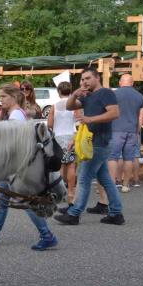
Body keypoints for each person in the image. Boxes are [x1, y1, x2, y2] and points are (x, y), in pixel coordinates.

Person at [0, 84, 58, 251]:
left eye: (3, 96)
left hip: (14, 168)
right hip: (11, 168)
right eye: (0, 96)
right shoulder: (14, 114)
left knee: (24, 202)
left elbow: (10, 143)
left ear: (13, 97)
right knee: (3, 201)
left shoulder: (16, 116)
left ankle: (47, 235)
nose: (1, 100)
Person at [54, 67, 125, 226]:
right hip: (93, 142)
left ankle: (74, 214)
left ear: (97, 77)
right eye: (82, 79)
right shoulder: (88, 95)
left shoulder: (106, 93)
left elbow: (114, 113)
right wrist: (74, 94)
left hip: (99, 142)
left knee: (83, 178)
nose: (84, 82)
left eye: (87, 78)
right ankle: (116, 213)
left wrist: (90, 119)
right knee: (105, 179)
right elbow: (69, 107)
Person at [108, 74, 143, 193]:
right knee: (129, 158)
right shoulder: (139, 96)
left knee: (113, 157)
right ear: (132, 83)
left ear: (120, 83)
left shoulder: (114, 94)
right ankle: (125, 185)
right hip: (132, 130)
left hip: (116, 129)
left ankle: (112, 184)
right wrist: (137, 131)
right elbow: (141, 117)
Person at [48, 81, 77, 209]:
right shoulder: (75, 105)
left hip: (58, 137)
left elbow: (49, 124)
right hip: (71, 136)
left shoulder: (54, 106)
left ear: (59, 91)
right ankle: (71, 192)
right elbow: (79, 122)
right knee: (71, 166)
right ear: (70, 91)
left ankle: (61, 190)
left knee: (60, 166)